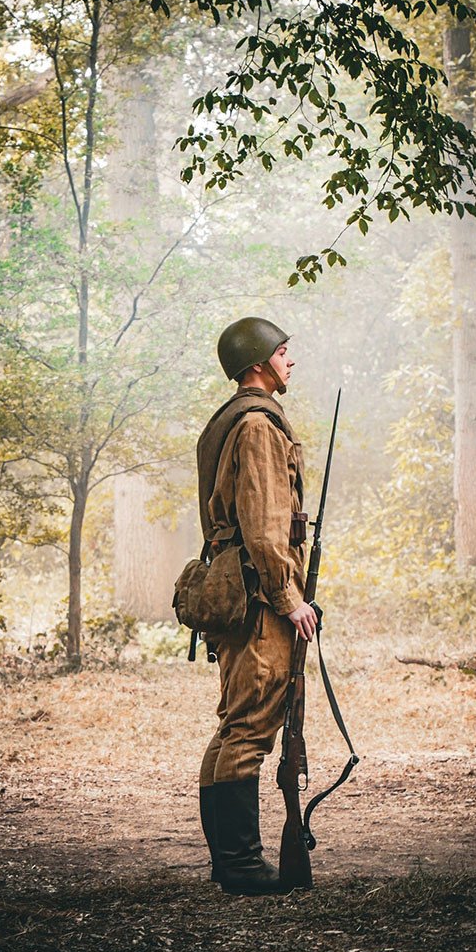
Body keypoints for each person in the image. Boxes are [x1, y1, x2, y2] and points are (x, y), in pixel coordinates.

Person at [195, 317, 318, 896]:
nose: (290, 360)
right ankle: (241, 866)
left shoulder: (229, 420)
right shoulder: (257, 425)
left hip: (237, 590)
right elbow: (266, 527)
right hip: (259, 597)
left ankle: (230, 863)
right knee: (248, 727)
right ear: (258, 362)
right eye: (282, 351)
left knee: (233, 726)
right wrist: (290, 599)